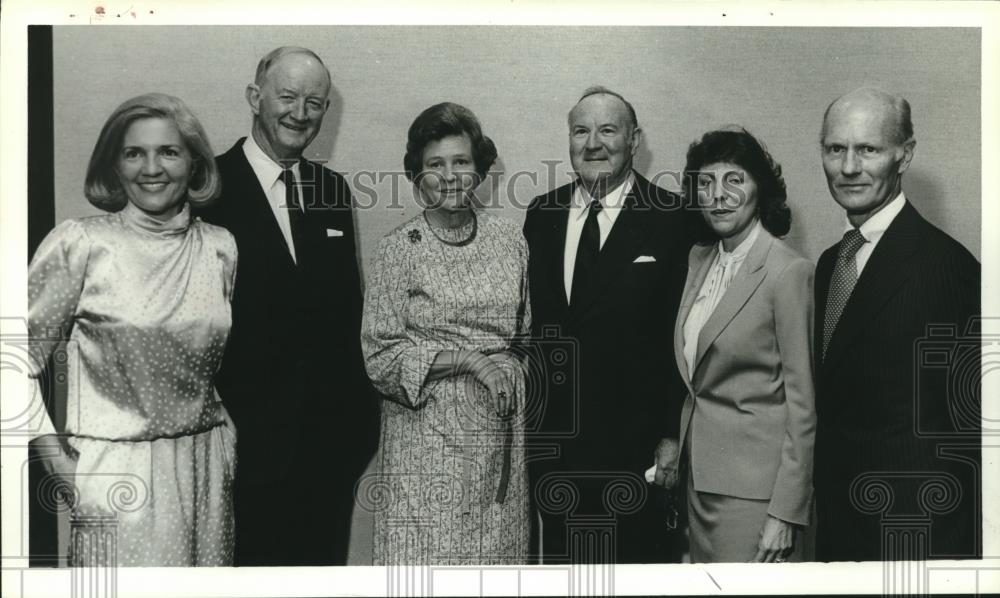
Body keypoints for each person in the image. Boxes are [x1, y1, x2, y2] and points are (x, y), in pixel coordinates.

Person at [27, 92, 236, 566]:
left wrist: (227, 437)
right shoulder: (81, 243)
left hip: (204, 467)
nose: (152, 168)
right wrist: (56, 463)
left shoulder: (221, 247)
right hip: (116, 474)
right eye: (133, 153)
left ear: (194, 162)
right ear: (114, 165)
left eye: (168, 151)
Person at [196, 46, 378, 566]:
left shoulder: (332, 190)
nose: (301, 113)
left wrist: (357, 429)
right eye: (288, 97)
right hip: (238, 454)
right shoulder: (206, 188)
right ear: (256, 98)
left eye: (315, 103)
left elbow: (348, 313)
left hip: (328, 453)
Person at [522, 86, 693, 564]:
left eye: (607, 130)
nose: (593, 143)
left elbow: (681, 337)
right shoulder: (542, 214)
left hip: (637, 452)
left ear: (635, 139)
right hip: (556, 449)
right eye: (581, 131)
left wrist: (672, 435)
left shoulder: (673, 218)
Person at [814, 88, 981, 561]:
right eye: (835, 149)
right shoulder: (830, 264)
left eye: (868, 149)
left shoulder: (948, 266)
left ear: (904, 156)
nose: (849, 167)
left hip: (914, 537)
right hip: (839, 534)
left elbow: (970, 435)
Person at [361, 102, 530, 565]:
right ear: (417, 175)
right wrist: (472, 361)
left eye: (461, 161)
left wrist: (508, 370)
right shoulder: (397, 250)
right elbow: (380, 358)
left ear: (480, 170)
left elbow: (523, 337)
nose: (450, 175)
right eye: (435, 164)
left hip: (497, 437)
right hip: (423, 443)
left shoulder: (509, 240)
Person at [653, 127, 815, 563]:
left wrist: (786, 511)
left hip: (755, 497)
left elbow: (803, 405)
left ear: (759, 188)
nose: (718, 195)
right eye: (706, 183)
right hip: (697, 486)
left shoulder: (787, 271)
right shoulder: (698, 259)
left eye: (734, 180)